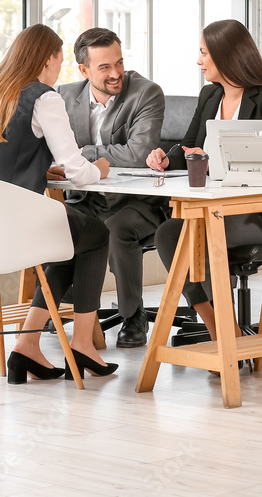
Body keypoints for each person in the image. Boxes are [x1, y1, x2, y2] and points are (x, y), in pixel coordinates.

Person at [0, 24, 118, 384]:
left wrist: (39, 167)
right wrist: (99, 168)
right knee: (93, 232)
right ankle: (81, 343)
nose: (57, 72)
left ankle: (27, 346)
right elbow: (77, 169)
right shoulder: (43, 97)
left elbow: (4, 153)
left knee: (68, 242)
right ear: (47, 58)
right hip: (15, 222)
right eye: (59, 62)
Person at [146, 19, 262, 341]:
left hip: (253, 210)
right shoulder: (210, 96)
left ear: (226, 56)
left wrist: (215, 159)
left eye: (204, 54)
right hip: (211, 206)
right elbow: (189, 145)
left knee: (203, 232)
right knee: (169, 233)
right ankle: (221, 327)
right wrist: (168, 158)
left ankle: (226, 329)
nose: (199, 62)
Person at [53, 27, 168, 348]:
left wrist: (79, 156)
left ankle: (133, 315)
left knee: (117, 230)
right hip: (84, 198)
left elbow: (137, 153)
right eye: (104, 67)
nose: (116, 73)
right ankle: (63, 308)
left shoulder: (146, 93)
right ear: (84, 70)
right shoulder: (64, 96)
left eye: (119, 63)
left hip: (135, 203)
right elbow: (50, 154)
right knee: (55, 223)